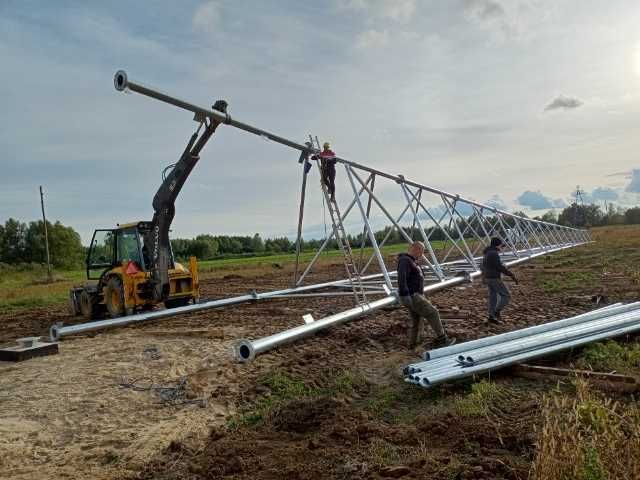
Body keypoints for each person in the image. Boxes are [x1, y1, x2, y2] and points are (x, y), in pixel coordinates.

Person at [397, 241, 456, 348]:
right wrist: (405, 294)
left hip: (414, 295)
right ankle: (442, 339)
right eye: (421, 251)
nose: (422, 254)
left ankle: (413, 345)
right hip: (413, 295)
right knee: (433, 312)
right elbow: (402, 278)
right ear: (416, 249)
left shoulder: (411, 261)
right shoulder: (405, 260)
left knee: (417, 320)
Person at [482, 237, 518, 323]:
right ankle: (496, 312)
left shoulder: (487, 253)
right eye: (501, 246)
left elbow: (483, 266)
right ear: (497, 245)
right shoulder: (494, 253)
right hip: (494, 278)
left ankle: (491, 317)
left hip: (488, 278)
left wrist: (483, 277)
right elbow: (499, 267)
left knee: (493, 297)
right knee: (506, 296)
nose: (501, 248)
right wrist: (511, 275)